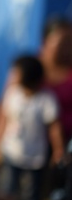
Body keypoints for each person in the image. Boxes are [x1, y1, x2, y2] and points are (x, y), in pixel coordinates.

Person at [0, 55, 65, 200]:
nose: (11, 76)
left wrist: (58, 149)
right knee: (7, 190)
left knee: (31, 195)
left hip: (34, 159)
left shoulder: (46, 100)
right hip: (10, 153)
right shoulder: (12, 94)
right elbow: (3, 119)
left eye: (15, 73)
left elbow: (54, 126)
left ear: (29, 77)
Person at [39, 17, 72, 145]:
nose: (68, 48)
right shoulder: (29, 68)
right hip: (30, 149)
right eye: (63, 43)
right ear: (45, 41)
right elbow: (6, 105)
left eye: (70, 42)